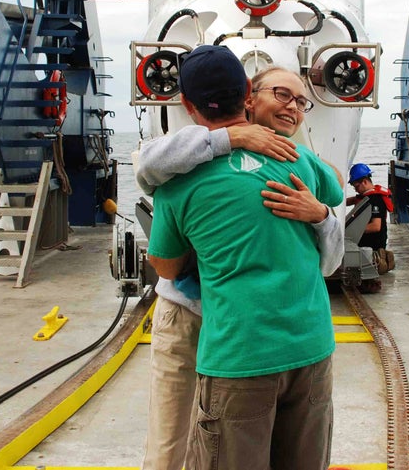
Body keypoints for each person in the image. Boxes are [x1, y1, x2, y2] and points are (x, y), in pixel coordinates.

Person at [135, 66, 344, 470]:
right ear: (249, 94)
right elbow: (149, 164)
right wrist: (233, 138)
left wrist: (317, 210)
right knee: (171, 438)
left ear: (187, 104)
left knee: (193, 442)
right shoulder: (189, 157)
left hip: (236, 343)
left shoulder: (183, 182)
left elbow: (164, 264)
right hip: (217, 323)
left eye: (301, 102)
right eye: (282, 94)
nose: (292, 107)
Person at [346, 162, 395, 274]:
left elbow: (376, 226)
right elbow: (353, 200)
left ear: (364, 182)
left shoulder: (375, 200)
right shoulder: (366, 196)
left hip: (373, 243)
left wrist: (352, 230)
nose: (355, 189)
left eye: (356, 186)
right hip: (366, 241)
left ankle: (378, 257)